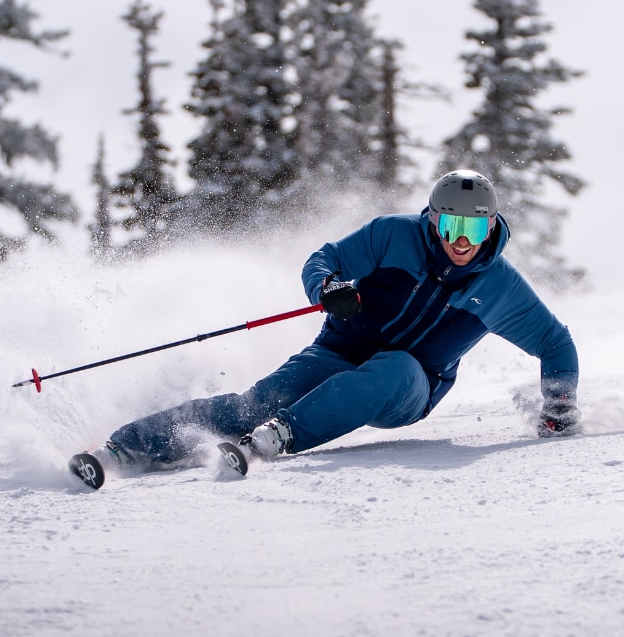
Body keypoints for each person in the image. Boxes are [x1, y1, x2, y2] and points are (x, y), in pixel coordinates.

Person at [70, 169, 580, 490]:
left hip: (408, 386)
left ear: (491, 226)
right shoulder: (392, 235)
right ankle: (123, 448)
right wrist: (328, 288)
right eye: (451, 226)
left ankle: (280, 437)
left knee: (395, 365)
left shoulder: (501, 287)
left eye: (473, 229)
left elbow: (555, 342)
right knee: (255, 401)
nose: (461, 241)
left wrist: (558, 404)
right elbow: (325, 259)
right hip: (338, 351)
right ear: (433, 220)